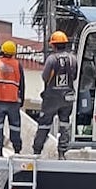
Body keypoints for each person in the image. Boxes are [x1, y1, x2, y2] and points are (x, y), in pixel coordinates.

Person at [33, 31, 79, 160]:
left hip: (52, 97)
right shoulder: (72, 59)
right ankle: (62, 152)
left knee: (44, 123)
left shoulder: (52, 59)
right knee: (64, 124)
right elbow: (74, 76)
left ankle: (37, 151)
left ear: (53, 45)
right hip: (68, 96)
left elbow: (45, 76)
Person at [0, 41, 25, 156]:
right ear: (13, 53)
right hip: (13, 100)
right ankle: (17, 150)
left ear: (2, 51)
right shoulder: (17, 65)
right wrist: (22, 100)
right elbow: (22, 84)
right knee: (14, 125)